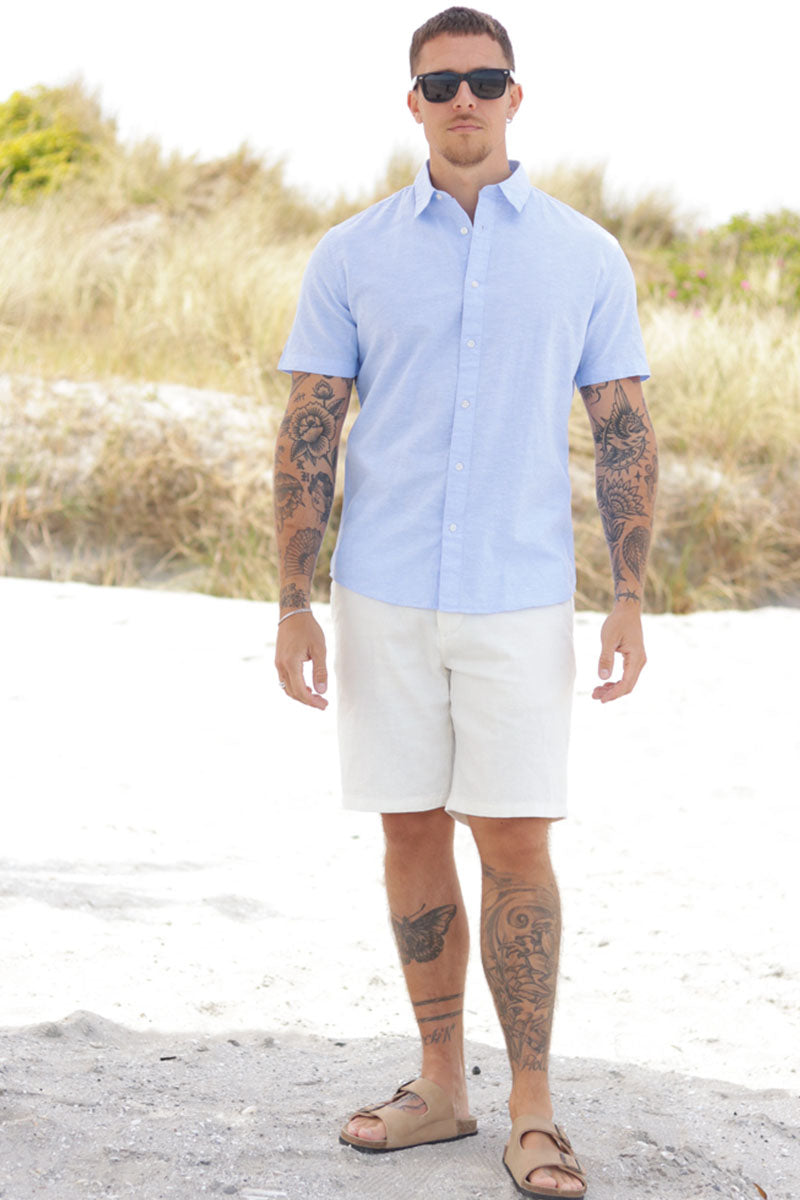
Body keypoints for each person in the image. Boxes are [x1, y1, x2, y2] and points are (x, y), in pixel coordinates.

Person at [272, 7, 657, 1196]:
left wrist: (628, 595)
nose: (463, 101)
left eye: (484, 80)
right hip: (380, 588)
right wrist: (291, 599)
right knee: (407, 829)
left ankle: (531, 1107)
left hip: (517, 592)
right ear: (413, 103)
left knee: (515, 841)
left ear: (514, 95)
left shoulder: (585, 255)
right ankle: (441, 1085)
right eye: (440, 85)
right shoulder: (351, 253)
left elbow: (622, 431)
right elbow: (308, 431)